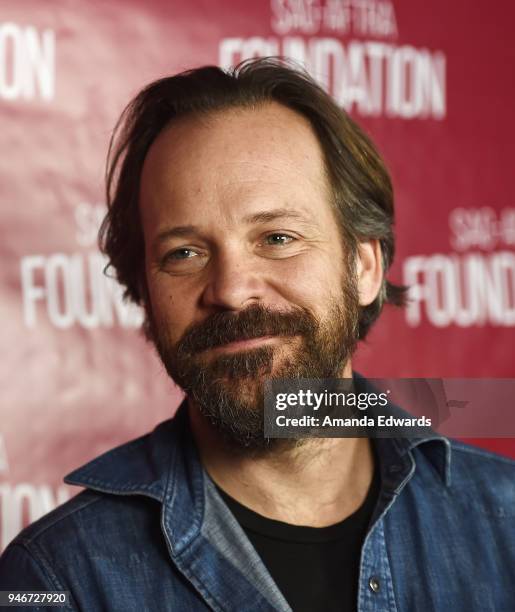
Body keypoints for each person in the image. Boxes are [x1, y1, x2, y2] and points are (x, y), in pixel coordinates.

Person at [1, 58, 514, 611]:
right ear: (145, 291)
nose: (231, 289)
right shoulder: (53, 579)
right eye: (185, 253)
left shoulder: (504, 520)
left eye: (277, 237)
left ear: (363, 268)